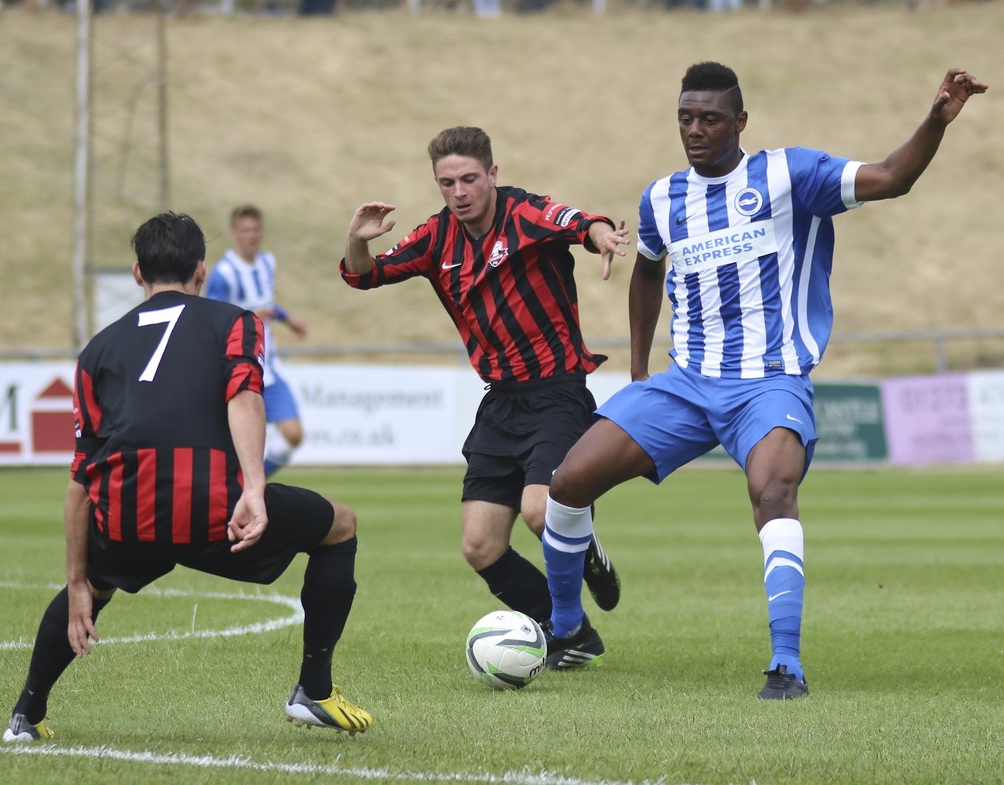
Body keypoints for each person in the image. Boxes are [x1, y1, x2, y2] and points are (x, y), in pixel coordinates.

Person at [540, 63, 987, 698]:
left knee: (772, 491)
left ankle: (786, 664)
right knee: (567, 483)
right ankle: (569, 631)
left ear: (740, 122)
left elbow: (892, 177)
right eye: (686, 118)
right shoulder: (662, 197)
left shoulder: (789, 174)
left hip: (769, 381)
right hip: (688, 384)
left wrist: (935, 121)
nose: (695, 130)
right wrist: (640, 369)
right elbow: (646, 272)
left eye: (710, 119)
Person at [3, 212, 372, 743]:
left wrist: (79, 580)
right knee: (339, 525)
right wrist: (253, 489)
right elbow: (245, 395)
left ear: (137, 274)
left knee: (95, 584)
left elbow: (82, 480)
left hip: (130, 518)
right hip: (216, 513)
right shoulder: (236, 320)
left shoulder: (97, 350)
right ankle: (313, 689)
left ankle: (25, 716)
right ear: (202, 271)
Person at [341, 126, 629, 669]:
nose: (459, 191)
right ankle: (574, 635)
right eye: (447, 182)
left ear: (492, 174)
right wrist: (359, 239)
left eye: (469, 178)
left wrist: (601, 236)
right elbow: (364, 278)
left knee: (540, 512)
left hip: (557, 391)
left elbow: (575, 222)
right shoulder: (436, 237)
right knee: (480, 547)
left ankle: (584, 551)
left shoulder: (524, 214)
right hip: (500, 402)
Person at [206, 205, 308, 477]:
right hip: (238, 369)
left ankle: (251, 485)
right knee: (236, 444)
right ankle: (242, 487)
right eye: (245, 230)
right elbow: (212, 319)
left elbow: (268, 304)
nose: (250, 236)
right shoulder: (224, 274)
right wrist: (249, 317)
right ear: (234, 233)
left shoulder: (267, 263)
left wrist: (288, 319)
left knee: (293, 434)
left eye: (255, 230)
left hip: (270, 370)